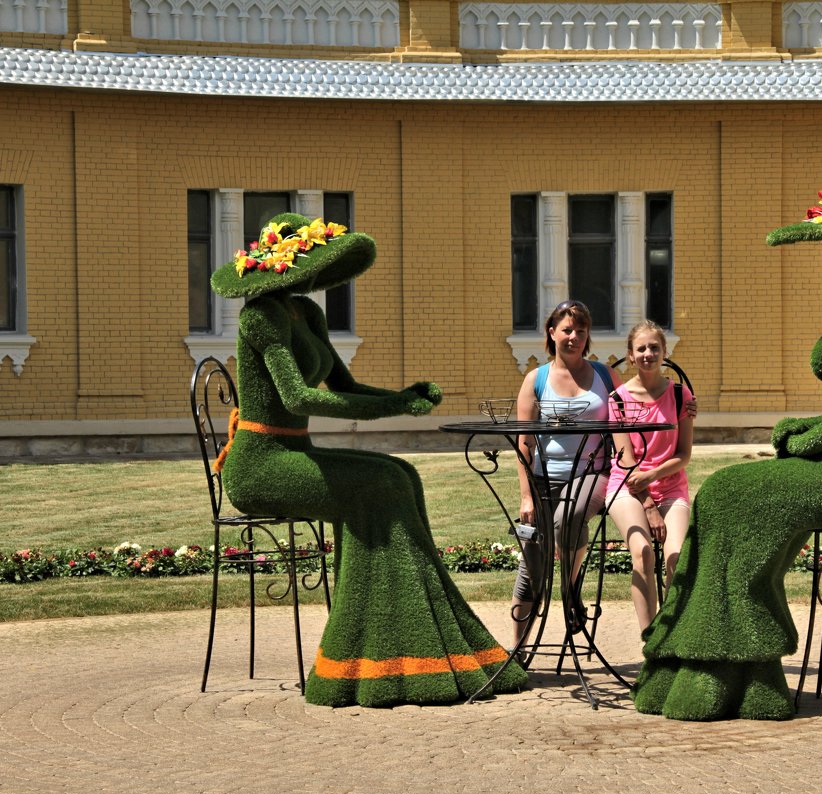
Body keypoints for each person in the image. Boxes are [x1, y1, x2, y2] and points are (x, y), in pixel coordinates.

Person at [633, 189, 822, 721]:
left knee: (729, 494)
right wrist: (805, 426)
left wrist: (800, 439)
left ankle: (727, 669)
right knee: (730, 492)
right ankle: (749, 676)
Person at [211, 213, 525, 708]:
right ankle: (362, 656)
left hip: (296, 453)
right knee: (376, 485)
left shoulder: (307, 315)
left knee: (402, 473)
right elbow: (297, 399)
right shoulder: (260, 317)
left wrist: (399, 395)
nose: (319, 274)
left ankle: (426, 637)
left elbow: (346, 388)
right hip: (259, 465)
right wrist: (392, 407)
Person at [510, 300, 620, 646]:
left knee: (566, 517)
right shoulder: (536, 379)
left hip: (592, 473)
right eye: (567, 329)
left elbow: (635, 406)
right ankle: (518, 651)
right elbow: (523, 442)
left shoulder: (605, 375)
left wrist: (681, 401)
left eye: (581, 331)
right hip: (544, 479)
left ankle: (570, 591)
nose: (574, 336)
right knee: (530, 568)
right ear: (552, 332)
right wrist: (527, 495)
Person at [605, 320, 694, 634]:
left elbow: (684, 454)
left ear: (664, 352)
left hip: (670, 485)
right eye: (640, 348)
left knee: (676, 558)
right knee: (642, 552)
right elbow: (626, 462)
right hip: (628, 488)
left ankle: (673, 636)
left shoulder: (681, 396)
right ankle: (650, 641)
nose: (648, 353)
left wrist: (655, 474)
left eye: (654, 347)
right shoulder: (617, 399)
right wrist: (649, 506)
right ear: (630, 355)